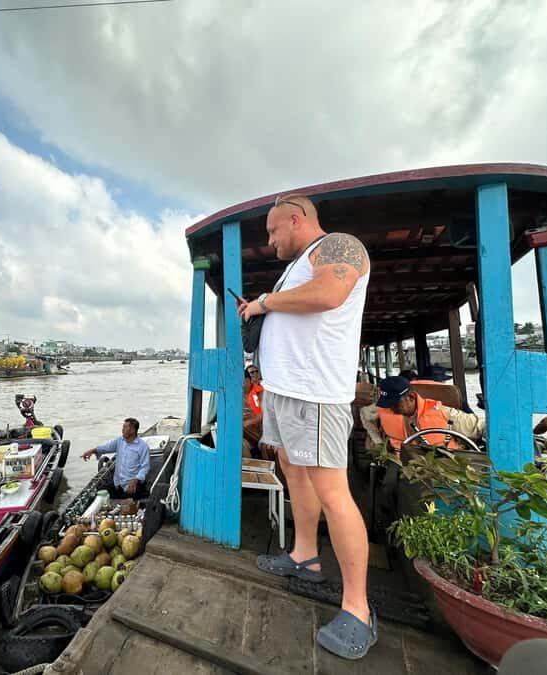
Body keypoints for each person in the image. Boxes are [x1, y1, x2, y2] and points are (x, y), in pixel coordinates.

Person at [238, 194, 375, 659]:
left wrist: (261, 303)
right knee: (293, 470)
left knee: (334, 492)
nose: (271, 240)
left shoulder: (339, 246)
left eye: (274, 231)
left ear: (295, 219)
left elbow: (329, 294)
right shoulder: (297, 265)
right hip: (284, 392)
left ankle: (358, 609)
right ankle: (304, 555)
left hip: (315, 396)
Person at [360, 376, 485, 451]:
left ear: (410, 397)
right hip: (404, 466)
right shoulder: (384, 409)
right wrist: (378, 441)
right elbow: (364, 414)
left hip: (442, 469)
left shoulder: (445, 413)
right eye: (388, 404)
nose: (391, 409)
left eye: (395, 403)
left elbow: (480, 425)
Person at [81, 418, 150, 498]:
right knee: (99, 492)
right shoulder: (120, 441)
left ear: (132, 430)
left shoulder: (142, 446)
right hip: (118, 483)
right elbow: (106, 447)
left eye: (125, 427)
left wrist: (135, 481)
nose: (122, 430)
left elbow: (145, 467)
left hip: (132, 483)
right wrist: (92, 451)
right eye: (122, 427)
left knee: (133, 498)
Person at [243, 366, 264, 458]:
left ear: (249, 380)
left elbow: (262, 414)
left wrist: (246, 423)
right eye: (252, 372)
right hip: (246, 435)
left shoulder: (261, 392)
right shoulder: (235, 394)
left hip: (261, 433)